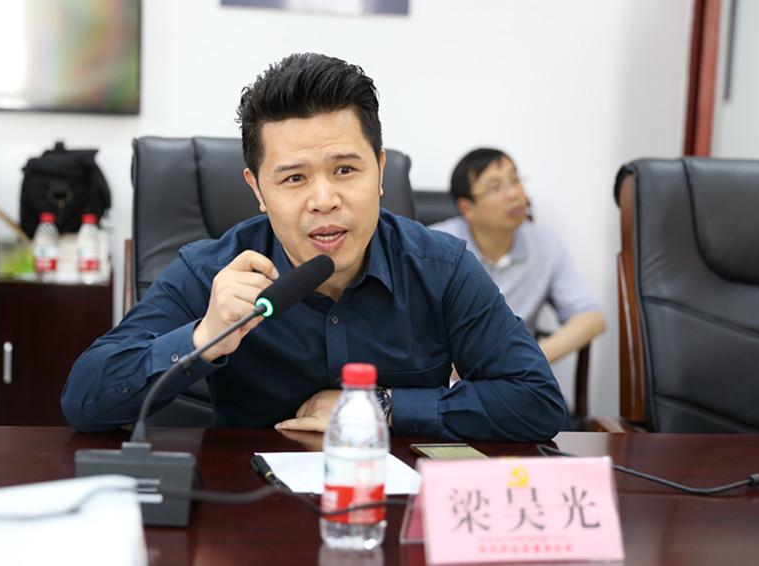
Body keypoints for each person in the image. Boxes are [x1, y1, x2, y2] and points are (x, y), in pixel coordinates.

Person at [61, 53, 566, 442]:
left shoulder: (441, 267)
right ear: (258, 190)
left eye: (345, 169)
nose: (324, 200)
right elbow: (84, 402)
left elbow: (538, 402)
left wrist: (379, 407)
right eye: (294, 178)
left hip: (393, 508)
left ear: (380, 172)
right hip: (247, 511)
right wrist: (204, 337)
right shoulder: (211, 271)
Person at [430, 148, 606, 366]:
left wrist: (526, 359)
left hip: (515, 377)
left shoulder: (546, 244)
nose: (513, 193)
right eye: (495, 187)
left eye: (514, 180)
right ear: (467, 209)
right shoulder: (435, 246)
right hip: (448, 376)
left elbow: (591, 318)